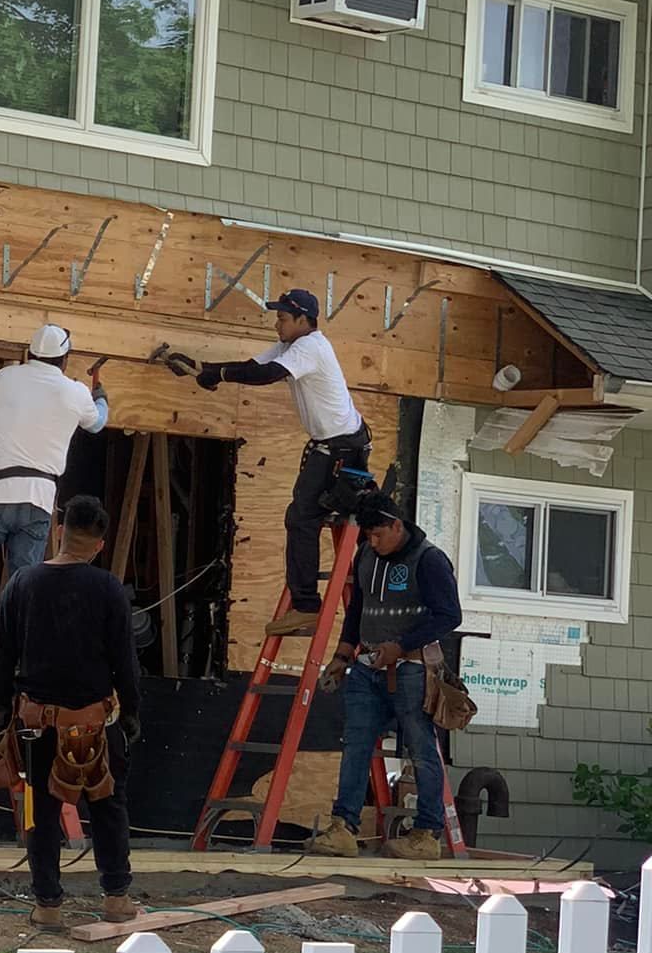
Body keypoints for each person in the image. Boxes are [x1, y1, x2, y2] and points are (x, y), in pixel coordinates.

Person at [0, 494, 141, 930]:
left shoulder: (21, 584)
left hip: (37, 725)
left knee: (42, 811)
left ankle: (47, 905)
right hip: (94, 723)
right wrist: (131, 713)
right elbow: (125, 661)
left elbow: (0, 657)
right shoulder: (108, 588)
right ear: (100, 544)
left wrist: (1, 712)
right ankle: (116, 898)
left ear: (59, 530)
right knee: (109, 806)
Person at [0, 324, 108, 669]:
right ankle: (14, 643)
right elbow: (98, 423)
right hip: (40, 498)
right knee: (24, 575)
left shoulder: (6, 377)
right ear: (65, 358)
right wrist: (99, 396)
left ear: (31, 353)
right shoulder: (74, 393)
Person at [194, 288, 368, 635]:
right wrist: (208, 370)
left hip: (341, 449)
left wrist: (220, 375)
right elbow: (253, 367)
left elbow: (265, 375)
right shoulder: (293, 345)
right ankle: (308, 605)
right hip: (335, 444)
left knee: (302, 518)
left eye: (283, 318)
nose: (278, 324)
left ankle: (306, 607)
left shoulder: (311, 346)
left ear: (304, 320)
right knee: (303, 516)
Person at [310, 496, 461, 862]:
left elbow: (449, 615)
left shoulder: (428, 560)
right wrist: (342, 655)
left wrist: (402, 645)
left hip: (411, 668)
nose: (373, 542)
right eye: (368, 536)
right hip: (366, 667)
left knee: (422, 750)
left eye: (378, 534)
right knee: (356, 744)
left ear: (397, 525)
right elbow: (357, 611)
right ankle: (343, 828)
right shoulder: (365, 555)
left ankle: (427, 834)